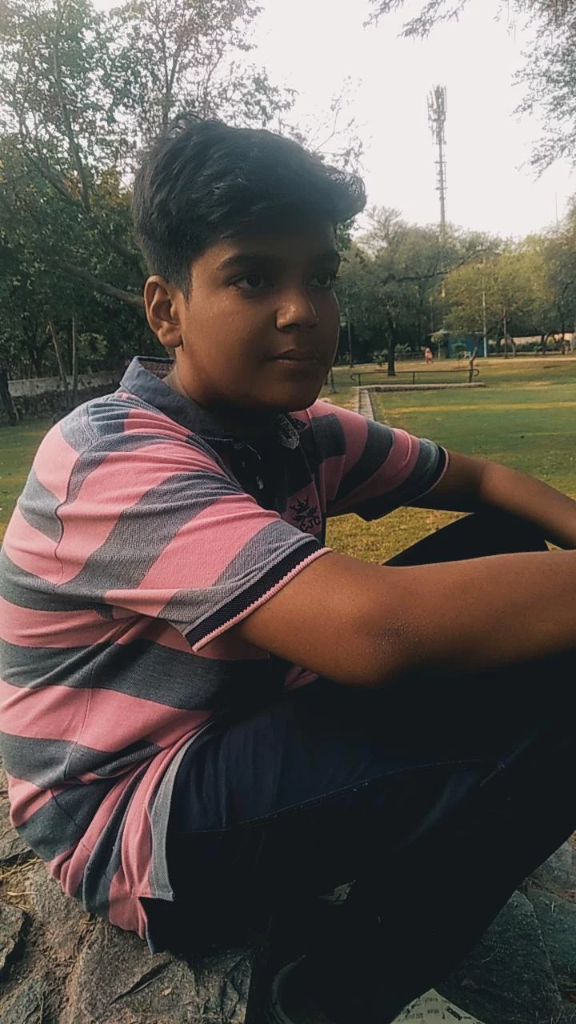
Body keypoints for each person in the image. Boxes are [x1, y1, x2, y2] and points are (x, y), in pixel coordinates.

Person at [1, 117, 576, 1024]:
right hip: (127, 817)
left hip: (233, 728)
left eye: (323, 275)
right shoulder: (109, 457)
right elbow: (376, 633)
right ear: (166, 309)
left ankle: (416, 839)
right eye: (252, 276)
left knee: (496, 552)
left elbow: (486, 480)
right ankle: (327, 995)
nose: (302, 308)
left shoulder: (298, 435)